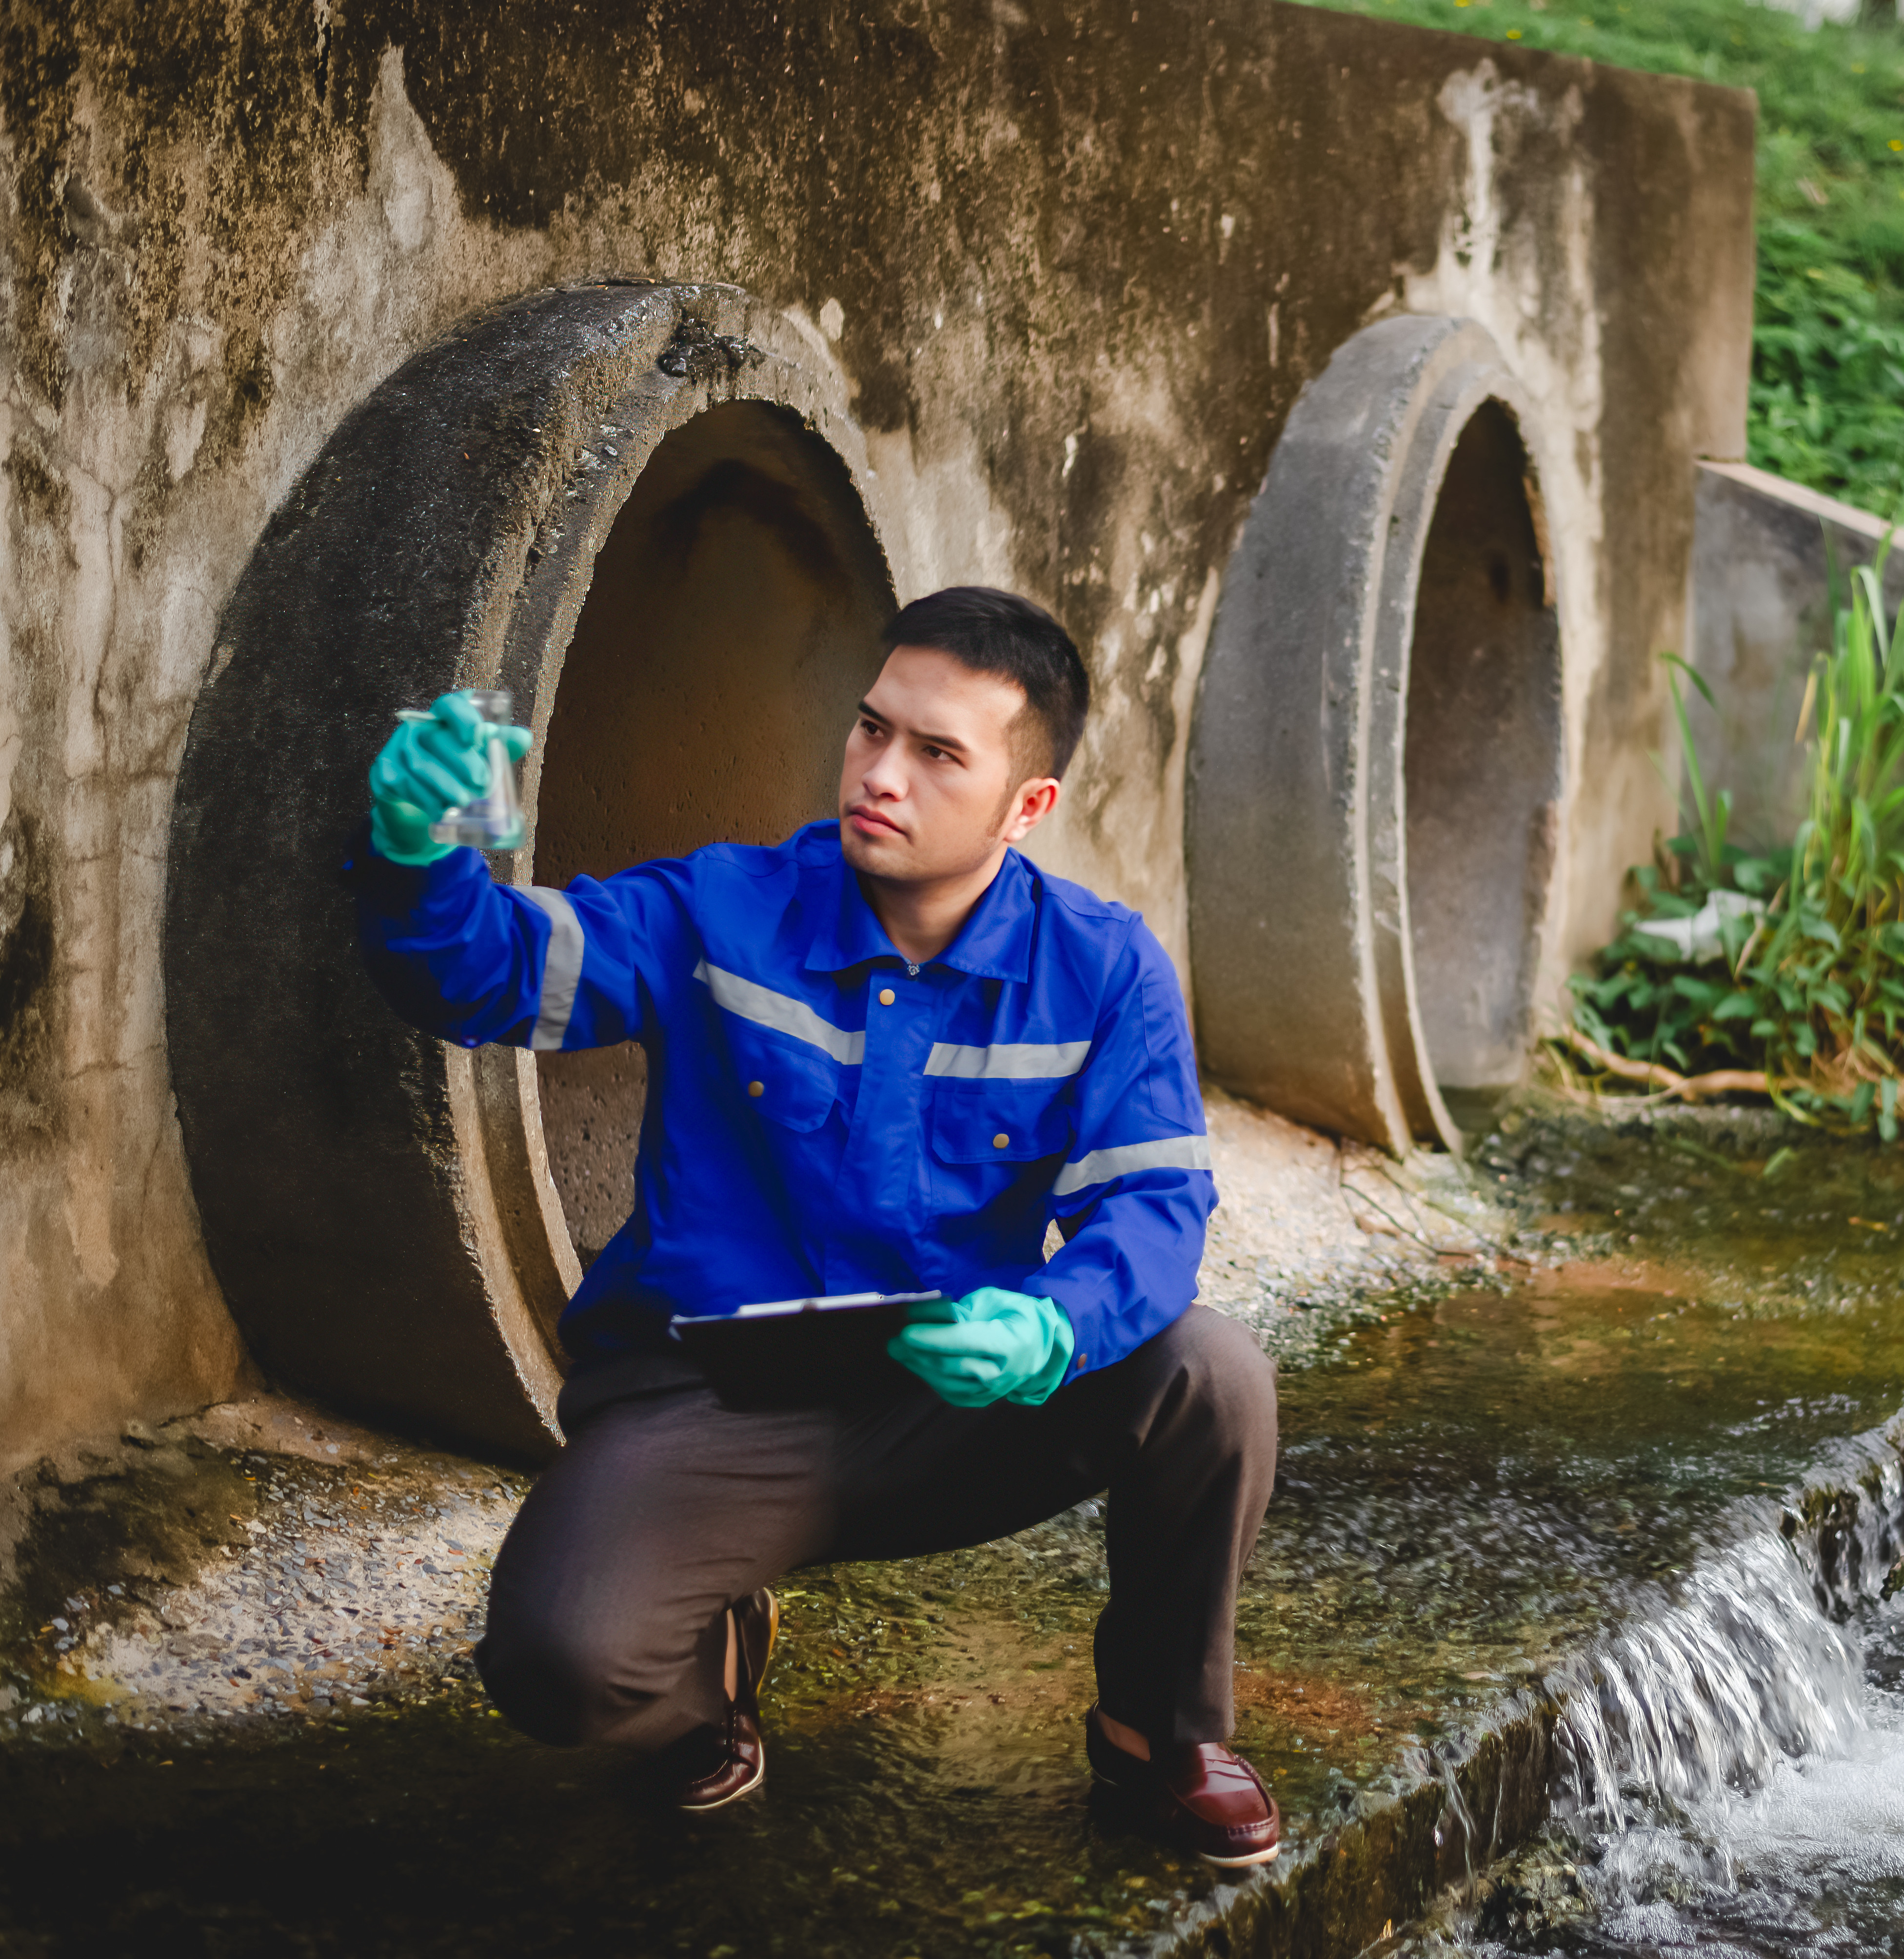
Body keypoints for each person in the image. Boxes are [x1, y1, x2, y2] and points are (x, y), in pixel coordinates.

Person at [344, 587, 1282, 1865]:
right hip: (713, 1407)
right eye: (871, 729)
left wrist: (1052, 1325)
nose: (881, 774)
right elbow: (493, 972)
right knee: (556, 1660)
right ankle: (699, 1686)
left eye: (938, 753)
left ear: (1028, 808)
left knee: (1212, 1373)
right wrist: (416, 849)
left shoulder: (1105, 969)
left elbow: (1157, 1210)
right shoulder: (725, 912)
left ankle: (1157, 1736)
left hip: (954, 1398)